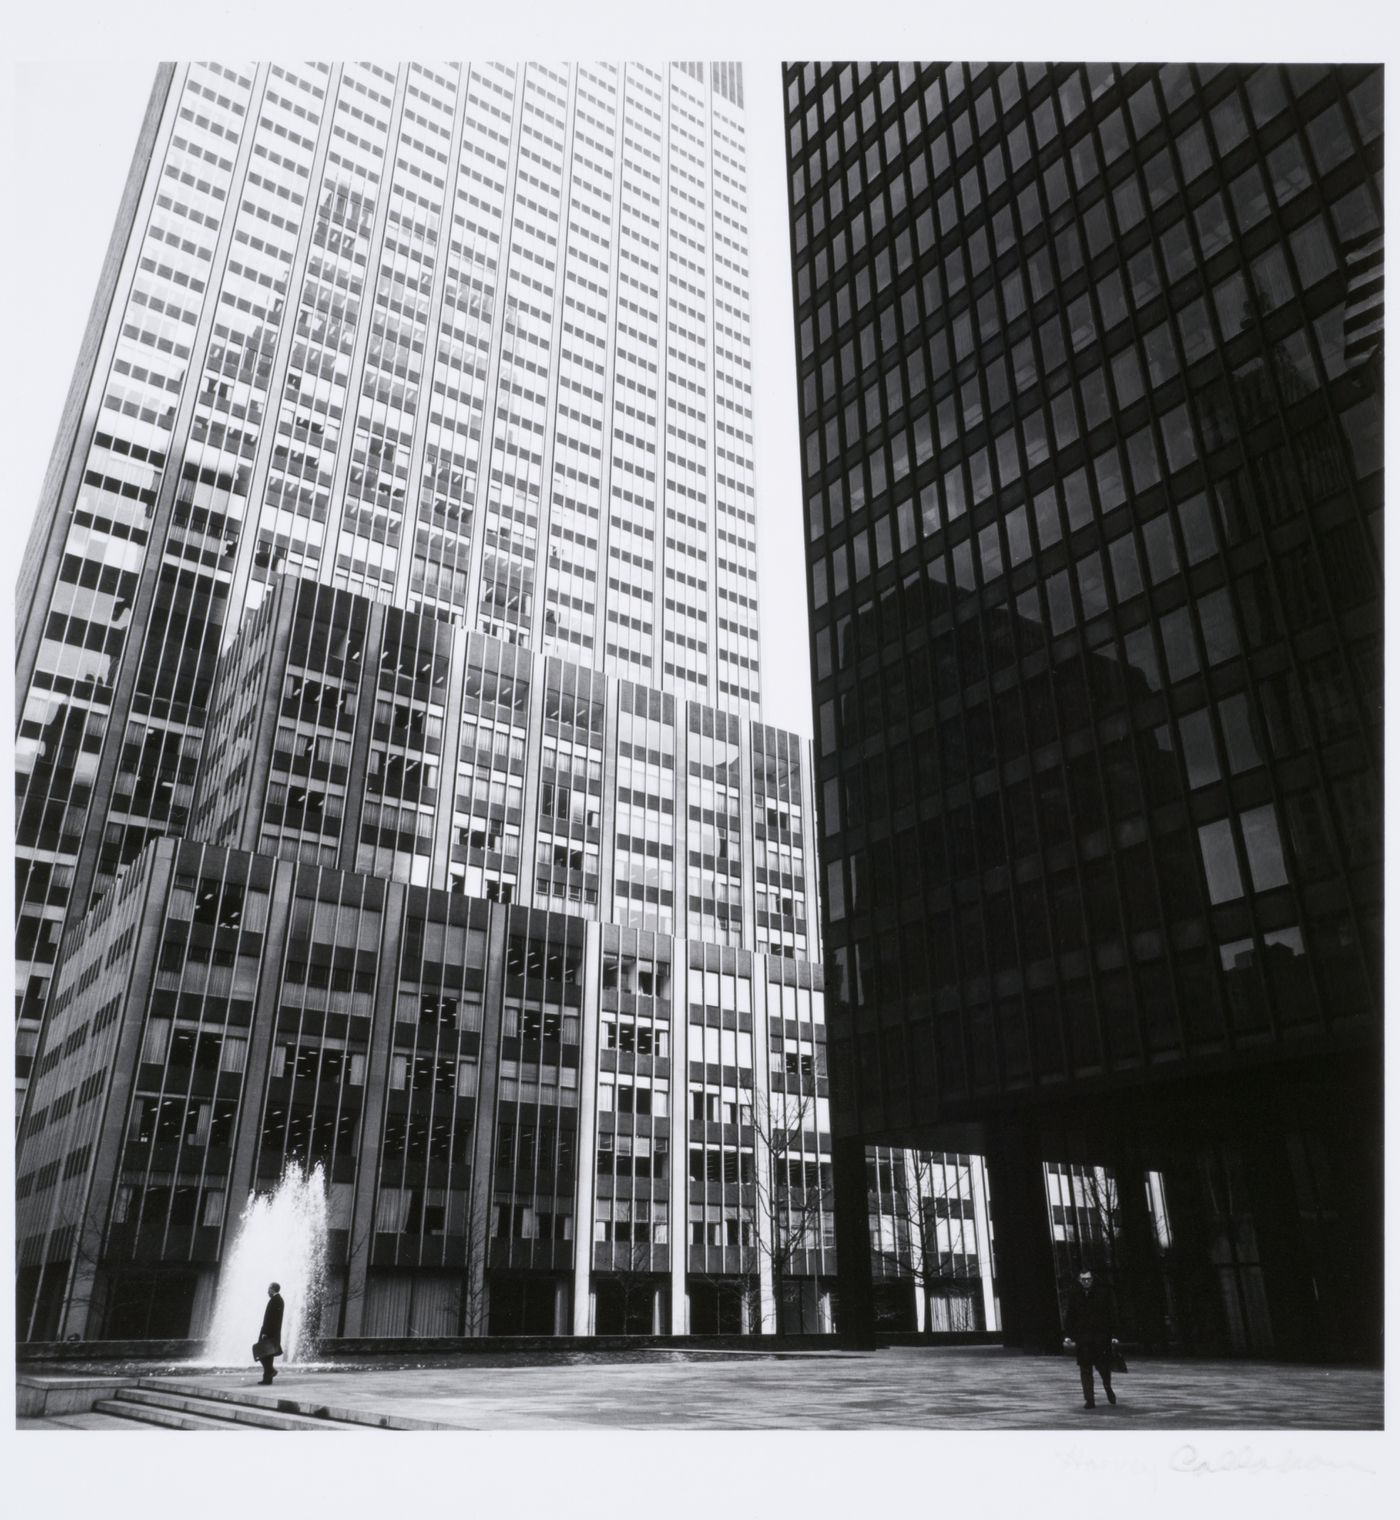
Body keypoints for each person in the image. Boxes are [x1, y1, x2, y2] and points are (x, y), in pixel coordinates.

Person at [1063, 1268, 1118, 1409]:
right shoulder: (1075, 1295)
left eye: (1088, 1279)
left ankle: (1107, 1387)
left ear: (1092, 1280)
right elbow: (1070, 1315)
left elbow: (1110, 1315)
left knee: (1103, 1368)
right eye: (1083, 1280)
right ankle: (1089, 1399)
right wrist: (1068, 1335)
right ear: (1079, 1280)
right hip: (1083, 1338)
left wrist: (1114, 1335)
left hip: (1100, 1337)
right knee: (1085, 1369)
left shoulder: (1102, 1294)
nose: (1086, 1282)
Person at [257, 1282, 285, 1386]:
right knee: (267, 1356)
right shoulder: (277, 1300)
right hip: (272, 1333)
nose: (267, 1291)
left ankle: (270, 1372)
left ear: (273, 1289)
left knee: (262, 1354)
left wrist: (266, 1333)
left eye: (269, 1289)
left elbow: (272, 1319)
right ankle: (267, 1378)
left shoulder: (276, 1300)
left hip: (270, 1333)